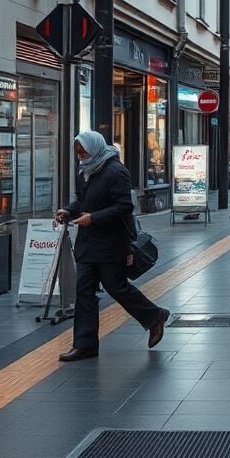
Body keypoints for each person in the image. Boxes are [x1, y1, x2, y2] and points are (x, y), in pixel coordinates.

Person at [54, 131, 170, 362]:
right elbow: (83, 201)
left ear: (95, 147)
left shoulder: (116, 171)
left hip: (111, 242)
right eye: (77, 150)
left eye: (83, 150)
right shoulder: (85, 171)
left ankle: (155, 315)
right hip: (87, 243)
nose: (80, 154)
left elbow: (124, 207)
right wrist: (69, 210)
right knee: (84, 291)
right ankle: (85, 345)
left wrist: (93, 218)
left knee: (116, 287)